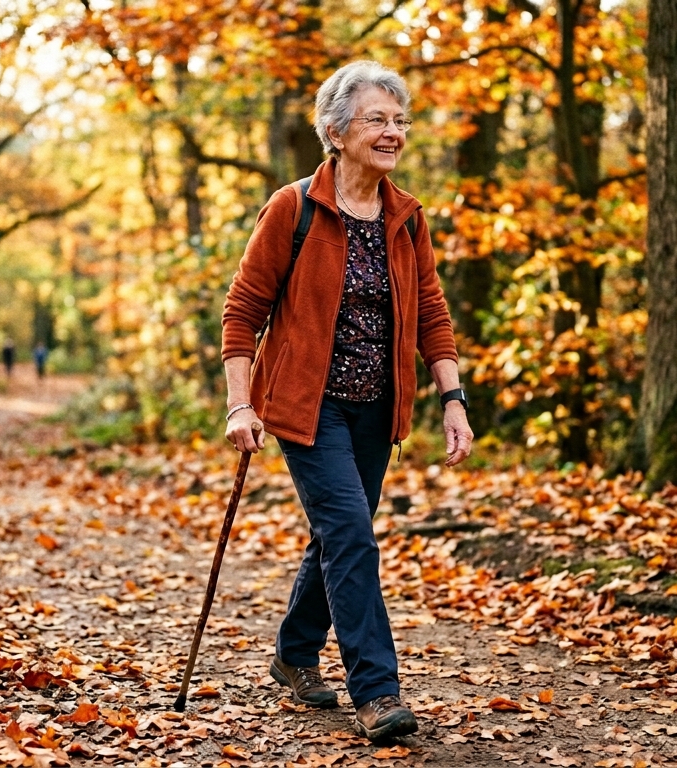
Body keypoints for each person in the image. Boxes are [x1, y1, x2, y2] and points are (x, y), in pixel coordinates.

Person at [220, 61, 472, 742]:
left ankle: (294, 655)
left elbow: (432, 313)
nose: (393, 133)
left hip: (377, 408)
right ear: (336, 131)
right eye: (376, 120)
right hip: (309, 407)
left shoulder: (406, 218)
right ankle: (378, 692)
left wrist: (453, 399)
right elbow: (243, 312)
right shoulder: (294, 207)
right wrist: (240, 405)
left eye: (400, 120)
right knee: (353, 535)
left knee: (339, 534)